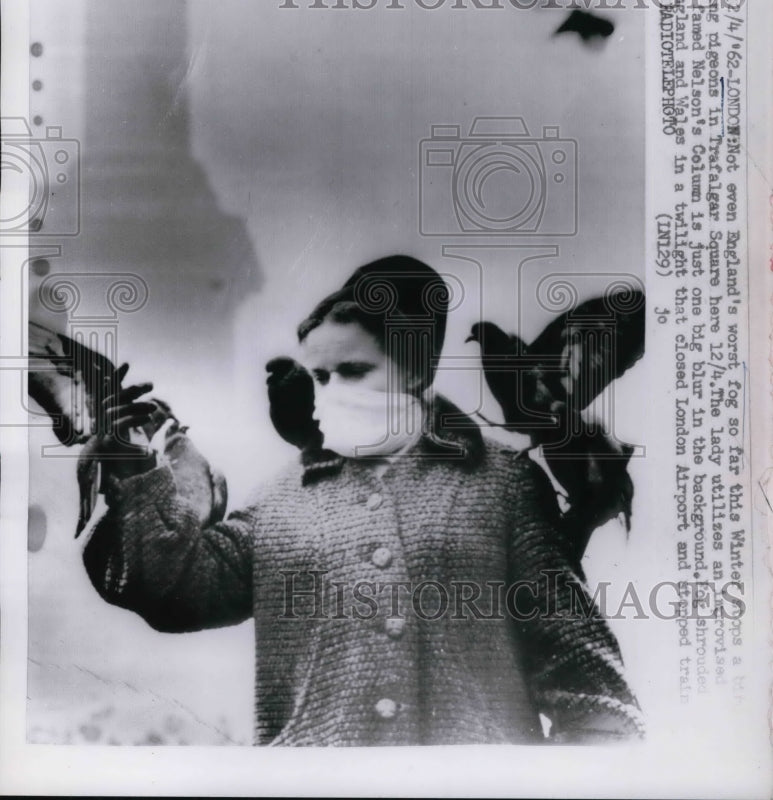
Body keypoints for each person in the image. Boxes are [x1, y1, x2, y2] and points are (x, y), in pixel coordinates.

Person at [83, 254, 644, 746]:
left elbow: (593, 692)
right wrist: (135, 472)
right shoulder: (278, 501)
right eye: (319, 377)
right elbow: (170, 590)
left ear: (415, 370)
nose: (329, 394)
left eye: (353, 371)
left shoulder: (504, 485)